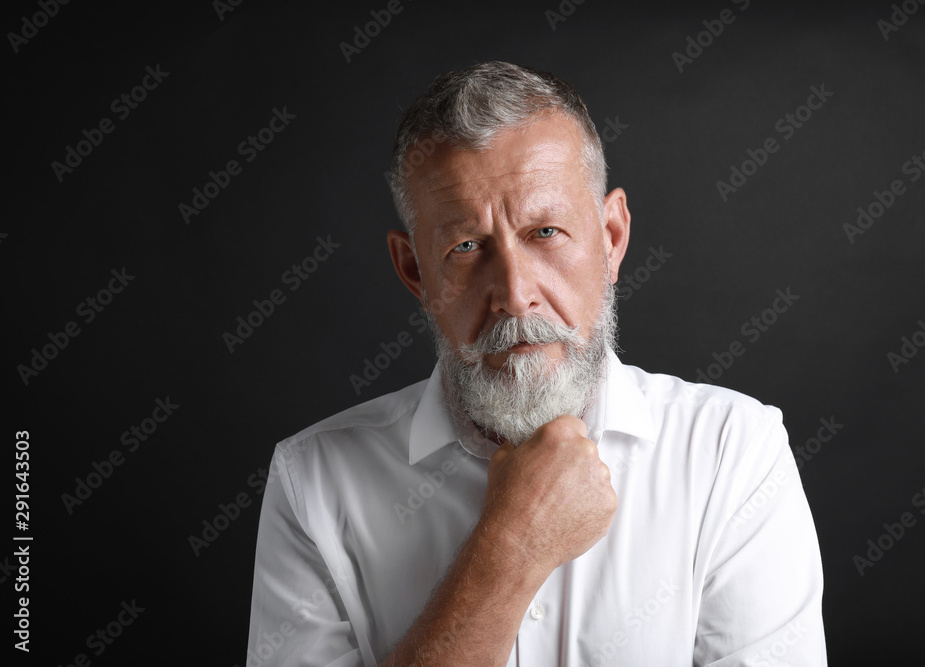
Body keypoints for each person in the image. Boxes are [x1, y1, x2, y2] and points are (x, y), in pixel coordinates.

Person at [246, 61, 827, 666]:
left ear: (611, 237)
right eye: (466, 247)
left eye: (546, 231)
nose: (515, 293)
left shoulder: (732, 454)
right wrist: (512, 549)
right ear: (415, 271)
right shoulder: (311, 481)